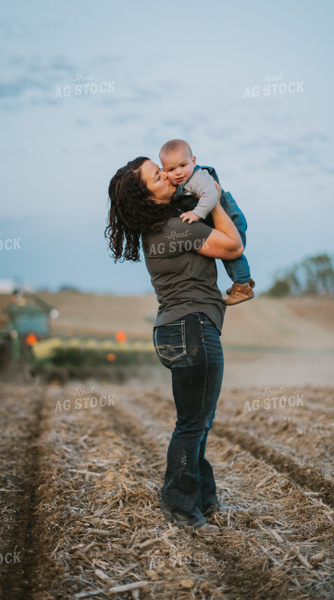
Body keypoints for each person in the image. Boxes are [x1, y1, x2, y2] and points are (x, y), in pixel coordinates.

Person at [106, 157, 243, 532]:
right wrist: (211, 197)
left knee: (198, 421)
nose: (168, 175)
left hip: (180, 330)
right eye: (157, 175)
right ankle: (181, 508)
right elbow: (232, 246)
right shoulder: (173, 229)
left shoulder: (166, 225)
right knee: (193, 424)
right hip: (191, 329)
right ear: (147, 197)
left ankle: (202, 498)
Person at [159, 139, 254, 305]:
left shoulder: (198, 177)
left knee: (231, 252)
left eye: (183, 165)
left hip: (229, 216)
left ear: (193, 161)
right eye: (171, 169)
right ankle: (243, 280)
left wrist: (196, 214)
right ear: (164, 170)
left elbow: (211, 195)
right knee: (229, 254)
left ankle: (243, 287)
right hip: (218, 217)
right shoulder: (183, 182)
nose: (179, 172)